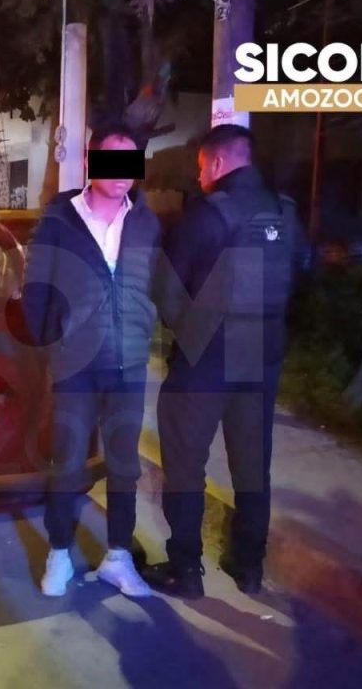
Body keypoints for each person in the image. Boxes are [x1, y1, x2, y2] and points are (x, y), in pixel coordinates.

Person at [144, 124, 308, 599]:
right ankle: (248, 566)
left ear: (216, 163)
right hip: (263, 356)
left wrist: (191, 331)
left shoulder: (209, 213)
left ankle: (185, 570)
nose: (199, 178)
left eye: (201, 168)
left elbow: (165, 287)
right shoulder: (286, 211)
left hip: (208, 358)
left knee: (185, 462)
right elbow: (303, 270)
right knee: (253, 465)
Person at [22, 122, 161, 598]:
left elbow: (155, 282)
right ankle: (59, 551)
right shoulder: (60, 220)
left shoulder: (145, 222)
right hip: (75, 365)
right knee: (68, 461)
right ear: (89, 162)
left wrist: (148, 326)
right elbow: (37, 290)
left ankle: (118, 557)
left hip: (129, 364)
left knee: (124, 465)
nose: (123, 173)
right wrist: (51, 346)